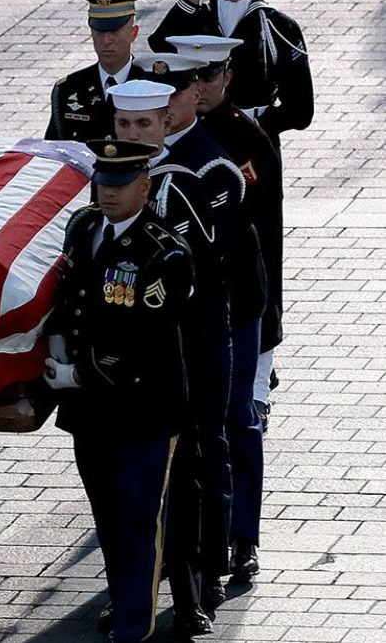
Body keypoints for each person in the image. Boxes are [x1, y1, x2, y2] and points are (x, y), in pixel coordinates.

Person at [44, 139, 194, 643]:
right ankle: (123, 600)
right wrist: (58, 338)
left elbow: (144, 337)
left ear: (145, 187)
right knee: (107, 515)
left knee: (137, 518)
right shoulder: (84, 227)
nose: (108, 193)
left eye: (121, 184)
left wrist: (80, 372)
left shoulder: (164, 251)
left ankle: (135, 624)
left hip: (142, 407)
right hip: (91, 411)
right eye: (102, 183)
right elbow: (69, 295)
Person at [108, 79, 222, 637]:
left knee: (182, 486)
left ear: (166, 122)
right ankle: (128, 592)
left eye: (144, 126)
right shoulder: (104, 186)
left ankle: (188, 593)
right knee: (125, 500)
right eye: (124, 126)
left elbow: (207, 278)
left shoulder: (188, 183)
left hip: (181, 357)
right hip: (119, 370)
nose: (134, 136)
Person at [167, 34, 278, 579]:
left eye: (205, 79)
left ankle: (242, 536)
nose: (199, 90)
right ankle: (190, 542)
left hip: (236, 307)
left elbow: (265, 235)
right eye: (192, 82)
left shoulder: (241, 137)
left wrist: (270, 325)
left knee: (236, 420)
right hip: (177, 315)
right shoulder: (153, 144)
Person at [148, 0, 312, 151]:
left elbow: (301, 110)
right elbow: (160, 44)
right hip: (202, 139)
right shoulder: (195, 20)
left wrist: (254, 126)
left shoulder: (278, 26)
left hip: (254, 140)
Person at [46, 0, 148, 142]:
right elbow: (53, 149)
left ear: (133, 33)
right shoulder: (69, 88)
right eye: (100, 32)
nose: (106, 41)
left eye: (114, 31)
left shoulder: (150, 83)